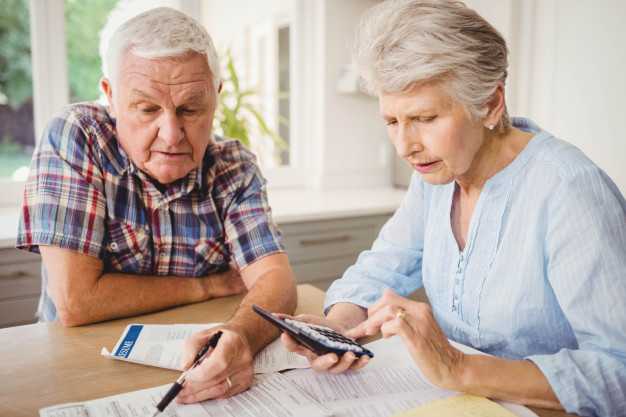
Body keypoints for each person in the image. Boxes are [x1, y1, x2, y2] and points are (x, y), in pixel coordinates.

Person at [281, 1, 626, 416]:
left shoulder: (569, 191)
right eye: (392, 121)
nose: (405, 146)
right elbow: (382, 265)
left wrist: (458, 368)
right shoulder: (437, 177)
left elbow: (618, 370)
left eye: (424, 117)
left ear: (491, 104)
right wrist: (339, 326)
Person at [17, 7, 297, 401]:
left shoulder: (234, 167)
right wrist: (206, 286)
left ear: (215, 98)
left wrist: (240, 336)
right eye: (148, 109)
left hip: (193, 370)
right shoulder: (77, 137)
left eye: (190, 109)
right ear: (111, 97)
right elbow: (76, 302)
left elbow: (278, 283)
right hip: (79, 368)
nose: (171, 134)